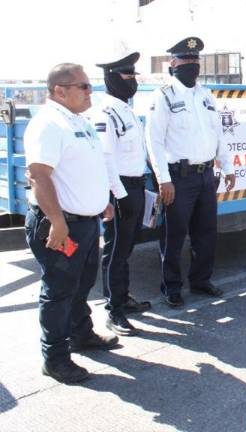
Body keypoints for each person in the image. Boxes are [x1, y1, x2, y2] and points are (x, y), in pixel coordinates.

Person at [24, 63, 118, 383]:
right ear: (59, 91)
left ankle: (81, 334)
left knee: (80, 284)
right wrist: (57, 221)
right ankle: (55, 357)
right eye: (84, 86)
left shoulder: (77, 120)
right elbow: (39, 176)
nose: (90, 91)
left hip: (86, 222)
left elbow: (86, 167)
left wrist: (100, 199)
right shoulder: (49, 123)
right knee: (59, 291)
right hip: (62, 225)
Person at [146, 37, 236, 308]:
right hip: (178, 177)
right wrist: (164, 179)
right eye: (186, 60)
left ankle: (201, 280)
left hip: (206, 174)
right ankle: (171, 287)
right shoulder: (163, 96)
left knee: (206, 232)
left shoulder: (206, 95)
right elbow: (154, 141)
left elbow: (218, 133)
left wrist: (228, 166)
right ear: (173, 63)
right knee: (173, 235)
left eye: (196, 60)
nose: (193, 65)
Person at [92, 50, 152, 336]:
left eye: (133, 76)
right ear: (112, 78)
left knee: (126, 248)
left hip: (135, 185)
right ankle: (113, 312)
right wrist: (120, 195)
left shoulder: (125, 108)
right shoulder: (106, 111)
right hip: (121, 189)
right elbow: (105, 158)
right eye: (128, 76)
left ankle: (122, 298)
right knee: (115, 251)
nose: (133, 81)